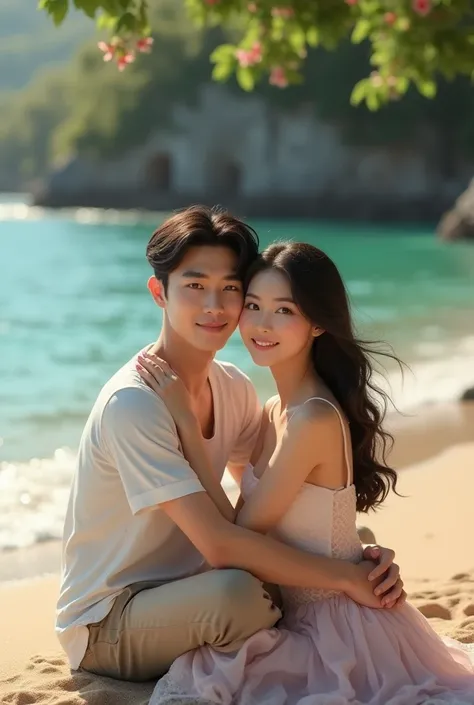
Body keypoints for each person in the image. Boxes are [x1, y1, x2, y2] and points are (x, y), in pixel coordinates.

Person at [56, 206, 402, 683]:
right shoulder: (135, 404)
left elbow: (273, 499)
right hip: (111, 620)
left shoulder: (234, 387)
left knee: (273, 575)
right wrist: (343, 576)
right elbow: (223, 542)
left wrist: (354, 551)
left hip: (193, 585)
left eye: (231, 289)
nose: (214, 306)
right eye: (195, 286)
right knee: (240, 595)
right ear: (160, 292)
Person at [139, 241, 474, 705]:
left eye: (283, 310)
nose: (261, 323)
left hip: (339, 626)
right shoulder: (275, 409)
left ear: (317, 323)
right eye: (253, 305)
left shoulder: (311, 418)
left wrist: (187, 428)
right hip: (294, 613)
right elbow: (255, 522)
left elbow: (236, 535)